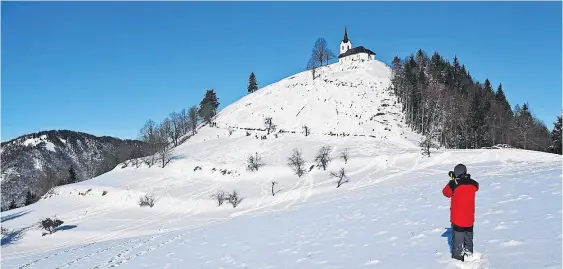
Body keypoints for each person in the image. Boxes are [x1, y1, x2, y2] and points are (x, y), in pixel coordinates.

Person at [442, 164, 479, 262]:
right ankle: (469, 256)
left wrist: (453, 180)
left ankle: (457, 261)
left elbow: (446, 193)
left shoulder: (453, 183)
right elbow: (476, 186)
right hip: (469, 218)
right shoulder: (473, 183)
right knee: (468, 239)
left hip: (458, 219)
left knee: (458, 242)